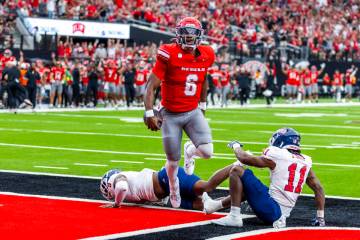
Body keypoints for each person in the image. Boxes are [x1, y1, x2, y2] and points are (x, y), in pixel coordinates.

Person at [144, 17, 215, 208]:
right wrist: (149, 112)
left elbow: (204, 77)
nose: (190, 39)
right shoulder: (169, 53)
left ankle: (190, 152)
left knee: (208, 152)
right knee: (173, 163)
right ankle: (174, 186)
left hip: (192, 111)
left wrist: (203, 104)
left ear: (199, 37)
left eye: (193, 36)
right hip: (170, 113)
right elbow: (151, 85)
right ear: (179, 35)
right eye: (187, 35)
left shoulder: (207, 53)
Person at [212, 128, 325, 228]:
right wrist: (320, 217)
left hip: (272, 210)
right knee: (249, 186)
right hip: (281, 211)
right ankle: (214, 206)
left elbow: (243, 158)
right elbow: (318, 188)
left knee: (237, 170)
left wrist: (236, 146)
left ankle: (234, 217)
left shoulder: (279, 154)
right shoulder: (305, 161)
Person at [99, 164, 233, 211]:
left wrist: (117, 204)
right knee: (207, 206)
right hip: (168, 192)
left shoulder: (117, 179)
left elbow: (122, 187)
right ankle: (242, 197)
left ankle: (237, 164)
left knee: (207, 186)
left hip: (167, 179)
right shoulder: (124, 181)